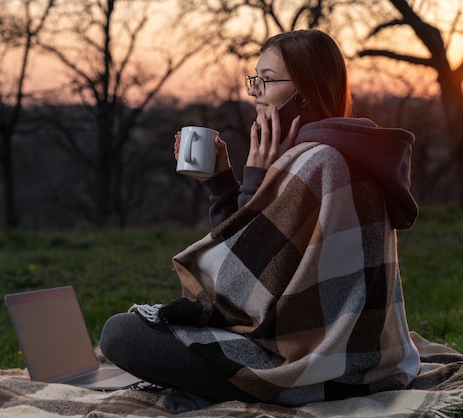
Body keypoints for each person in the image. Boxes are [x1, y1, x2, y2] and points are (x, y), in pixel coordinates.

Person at [99, 29, 421, 409]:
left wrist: (251, 178)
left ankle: (229, 390)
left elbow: (234, 290)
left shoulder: (315, 163)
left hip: (306, 364)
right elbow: (255, 278)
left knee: (120, 334)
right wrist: (225, 183)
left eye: (266, 81)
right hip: (357, 357)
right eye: (255, 80)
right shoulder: (345, 153)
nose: (254, 93)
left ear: (304, 92)